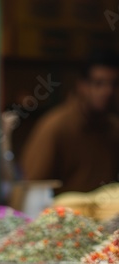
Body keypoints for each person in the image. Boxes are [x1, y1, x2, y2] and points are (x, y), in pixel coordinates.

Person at [20, 51, 119, 193]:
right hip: (62, 212)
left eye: (114, 84)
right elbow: (31, 188)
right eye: (98, 83)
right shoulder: (56, 126)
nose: (107, 91)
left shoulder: (113, 128)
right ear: (82, 85)